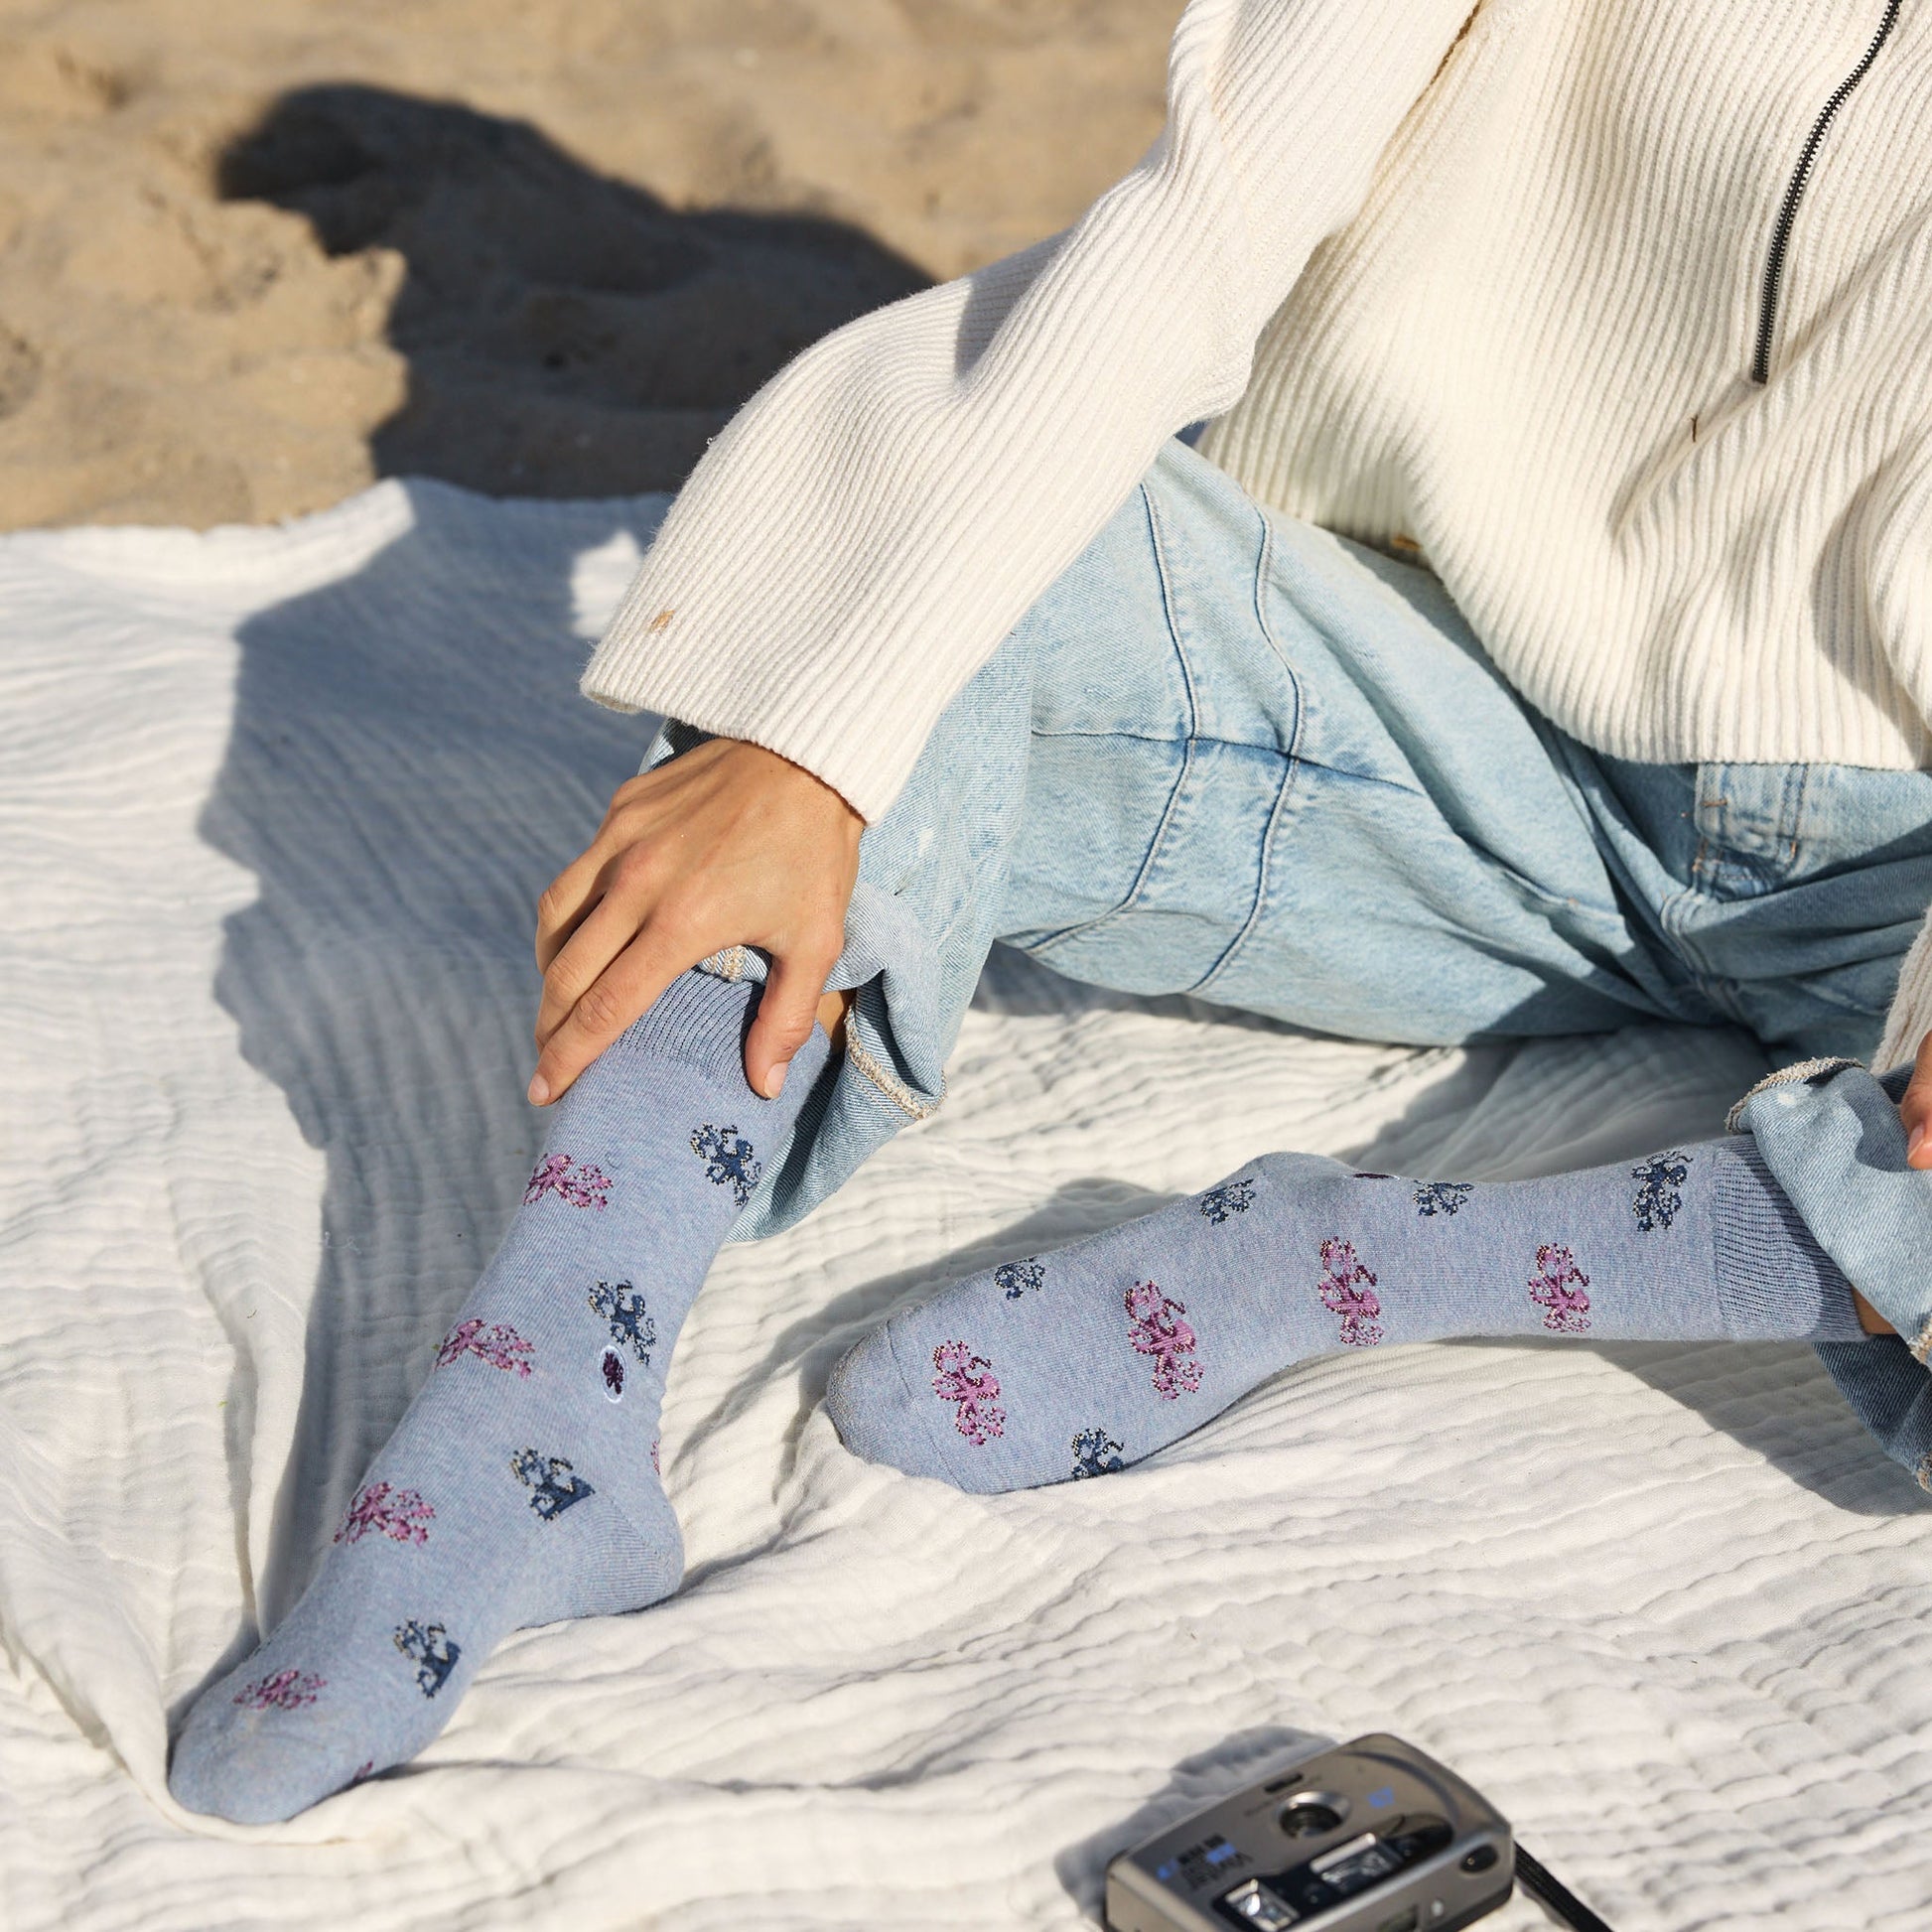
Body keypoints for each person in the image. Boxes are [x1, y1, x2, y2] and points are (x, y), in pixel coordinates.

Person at [170, 0, 1932, 1823]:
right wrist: (824, 733)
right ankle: (534, 1395)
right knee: (887, 550)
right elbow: (1206, 213)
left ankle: (1326, 1260)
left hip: (1898, 867)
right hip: (1418, 695)